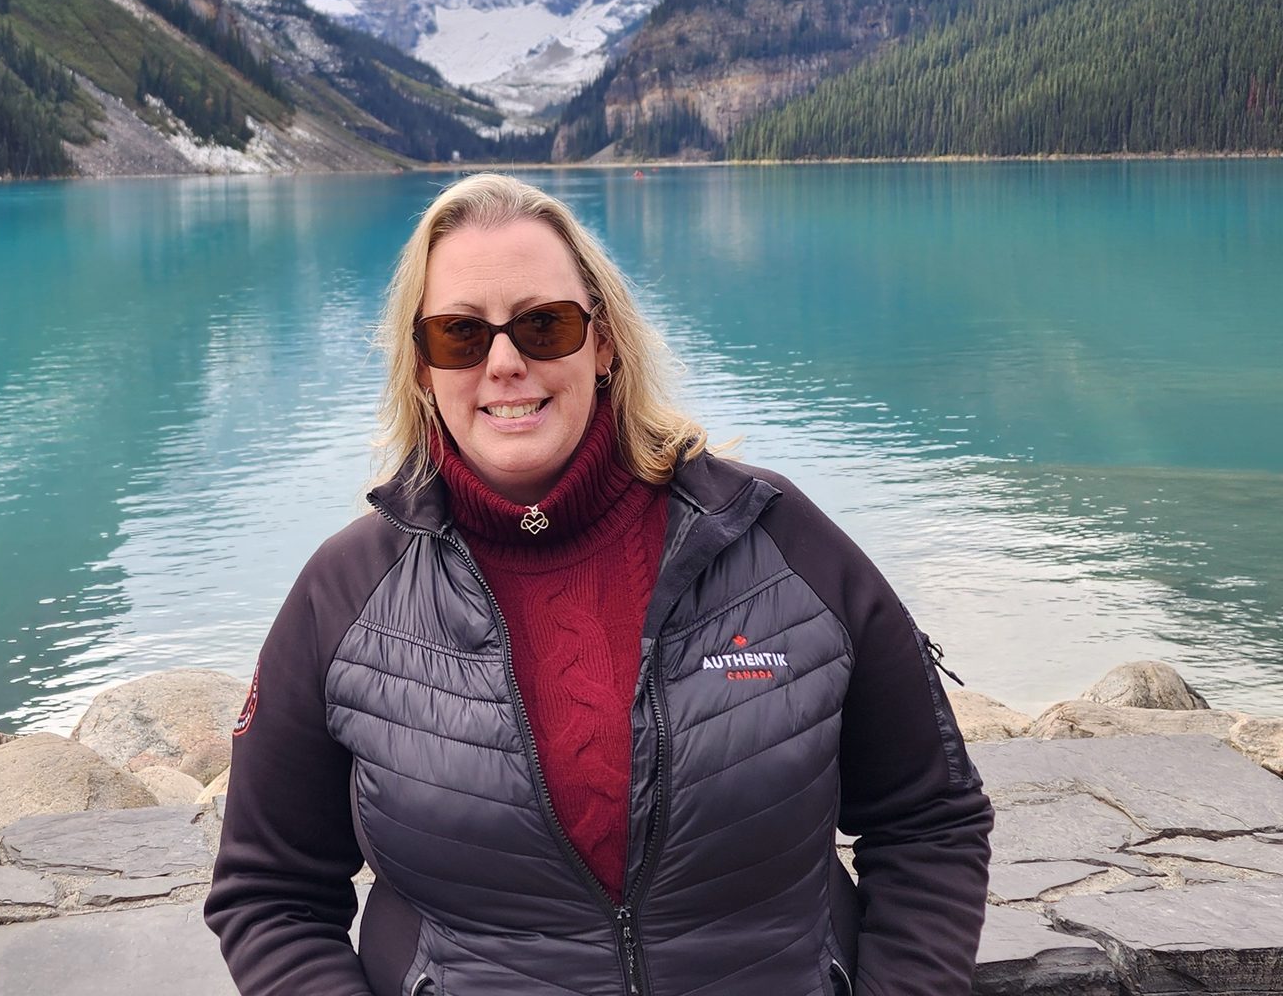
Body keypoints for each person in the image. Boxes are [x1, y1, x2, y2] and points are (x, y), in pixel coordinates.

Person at [205, 172, 992, 995]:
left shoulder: (777, 538)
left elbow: (929, 820)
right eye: (460, 336)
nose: (505, 363)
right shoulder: (346, 594)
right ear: (421, 366)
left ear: (604, 341)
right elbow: (272, 895)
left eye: (545, 325)